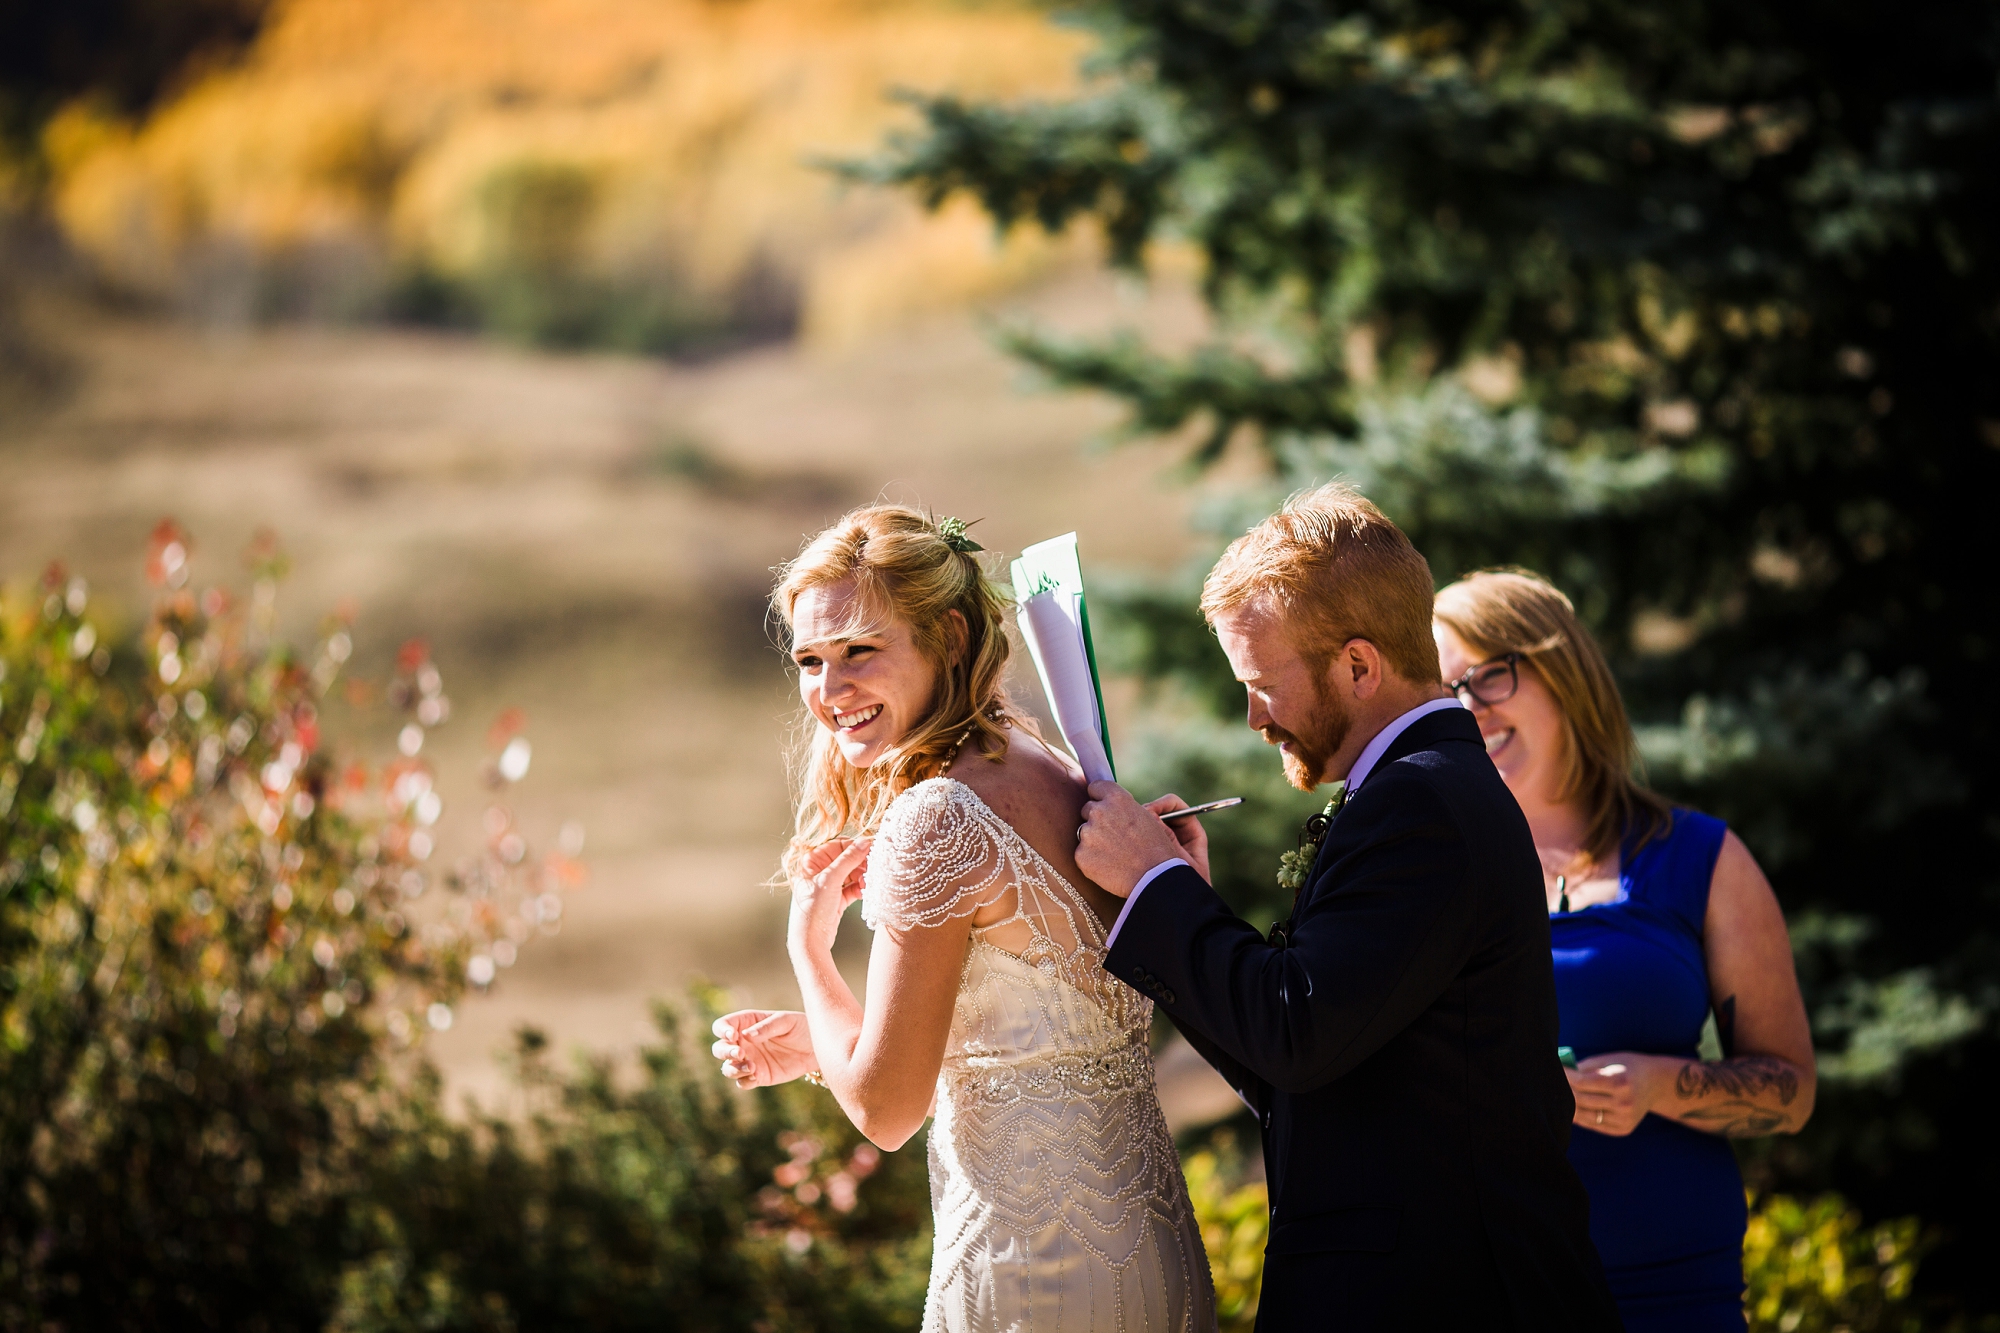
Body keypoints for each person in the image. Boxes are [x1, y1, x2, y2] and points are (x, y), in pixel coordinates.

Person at [1075, 483, 1620, 1331]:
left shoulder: (1423, 803)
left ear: (1360, 665)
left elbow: (1298, 1031)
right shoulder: (1418, 792)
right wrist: (1186, 902)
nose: (1252, 717)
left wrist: (1159, 887)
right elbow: (1302, 1067)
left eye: (1261, 684)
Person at [708, 505, 1216, 1333]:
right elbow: (1039, 1031)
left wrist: (808, 949)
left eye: (859, 651)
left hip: (1034, 1272)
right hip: (1151, 1256)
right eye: (809, 660)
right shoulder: (1047, 763)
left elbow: (884, 1110)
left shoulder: (936, 816)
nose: (830, 692)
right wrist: (820, 1045)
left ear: (947, 636)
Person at [1433, 569, 1815, 1333]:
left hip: (1674, 1296)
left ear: (1561, 671)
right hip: (1488, 1292)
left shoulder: (1701, 855)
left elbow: (1792, 1090)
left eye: (1488, 676)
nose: (1470, 709)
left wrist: (1658, 1085)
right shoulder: (1434, 871)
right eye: (1447, 693)